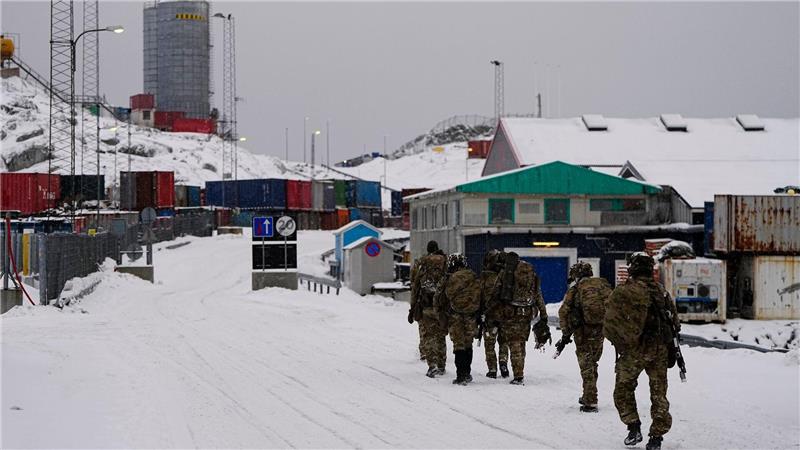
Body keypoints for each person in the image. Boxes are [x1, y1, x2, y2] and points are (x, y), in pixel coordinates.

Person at [604, 252, 681, 450]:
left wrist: (622, 341)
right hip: (659, 350)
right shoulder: (661, 291)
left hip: (634, 351)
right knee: (659, 394)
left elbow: (610, 322)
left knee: (623, 390)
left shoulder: (624, 291)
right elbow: (675, 323)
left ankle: (633, 426)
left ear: (632, 269)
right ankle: (656, 437)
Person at [556, 261, 612, 412]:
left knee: (586, 366)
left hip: (583, 332)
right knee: (593, 363)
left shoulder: (576, 289)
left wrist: (566, 331)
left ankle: (590, 400)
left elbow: (563, 311)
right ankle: (588, 394)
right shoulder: (603, 285)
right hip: (600, 331)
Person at [496, 252, 548, 385]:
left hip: (511, 312)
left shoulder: (506, 274)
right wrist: (543, 314)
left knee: (514, 343)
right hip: (527, 312)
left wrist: (493, 310)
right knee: (521, 342)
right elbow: (538, 295)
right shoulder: (532, 275)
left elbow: (496, 292)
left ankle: (518, 375)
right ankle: (520, 369)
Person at [436, 253, 481, 385]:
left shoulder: (449, 278)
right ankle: (467, 372)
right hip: (471, 315)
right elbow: (480, 294)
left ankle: (460, 375)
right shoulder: (473, 276)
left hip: (454, 315)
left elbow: (441, 297)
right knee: (468, 344)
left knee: (458, 345)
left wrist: (441, 312)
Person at [408, 240, 448, 378]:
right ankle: (442, 365)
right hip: (442, 306)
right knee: (441, 336)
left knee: (429, 336)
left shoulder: (422, 263)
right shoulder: (446, 261)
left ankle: (432, 365)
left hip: (426, 305)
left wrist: (412, 307)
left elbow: (415, 285)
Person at [479, 250, 510, 378]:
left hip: (489, 315)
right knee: (504, 341)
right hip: (505, 315)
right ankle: (503, 362)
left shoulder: (485, 278)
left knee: (489, 343)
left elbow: (479, 296)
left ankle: (492, 369)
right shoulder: (507, 278)